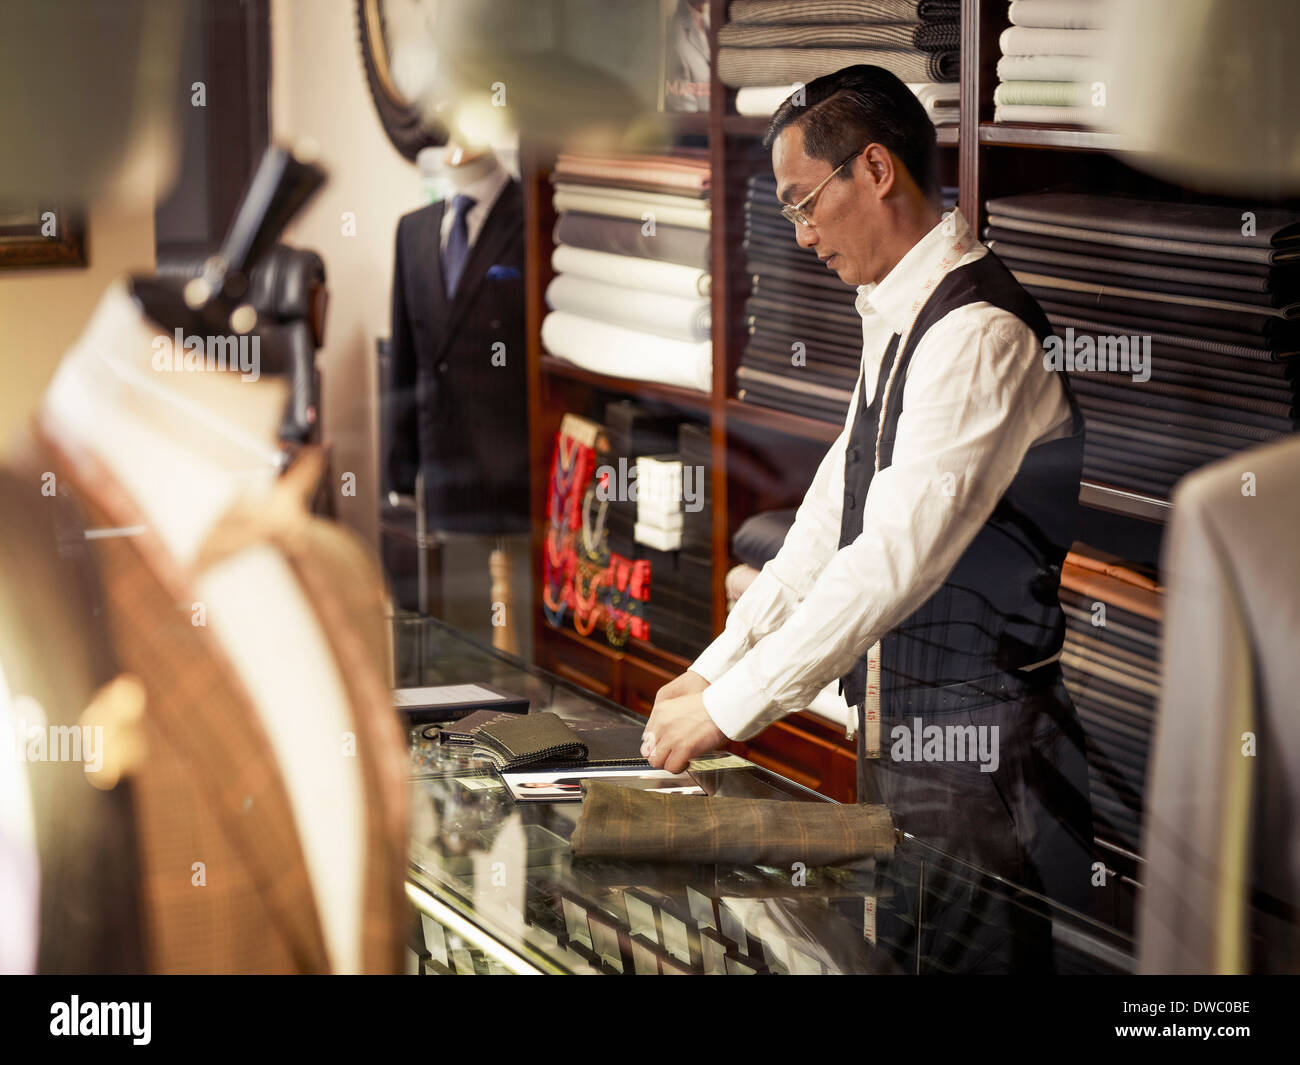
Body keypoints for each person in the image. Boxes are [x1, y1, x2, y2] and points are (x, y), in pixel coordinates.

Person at [643, 65, 1094, 969]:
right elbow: (830, 517)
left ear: (876, 169)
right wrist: (714, 667)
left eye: (805, 203)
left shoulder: (976, 336)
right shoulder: (899, 312)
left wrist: (731, 708)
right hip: (907, 743)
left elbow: (889, 561)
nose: (803, 235)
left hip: (986, 762)